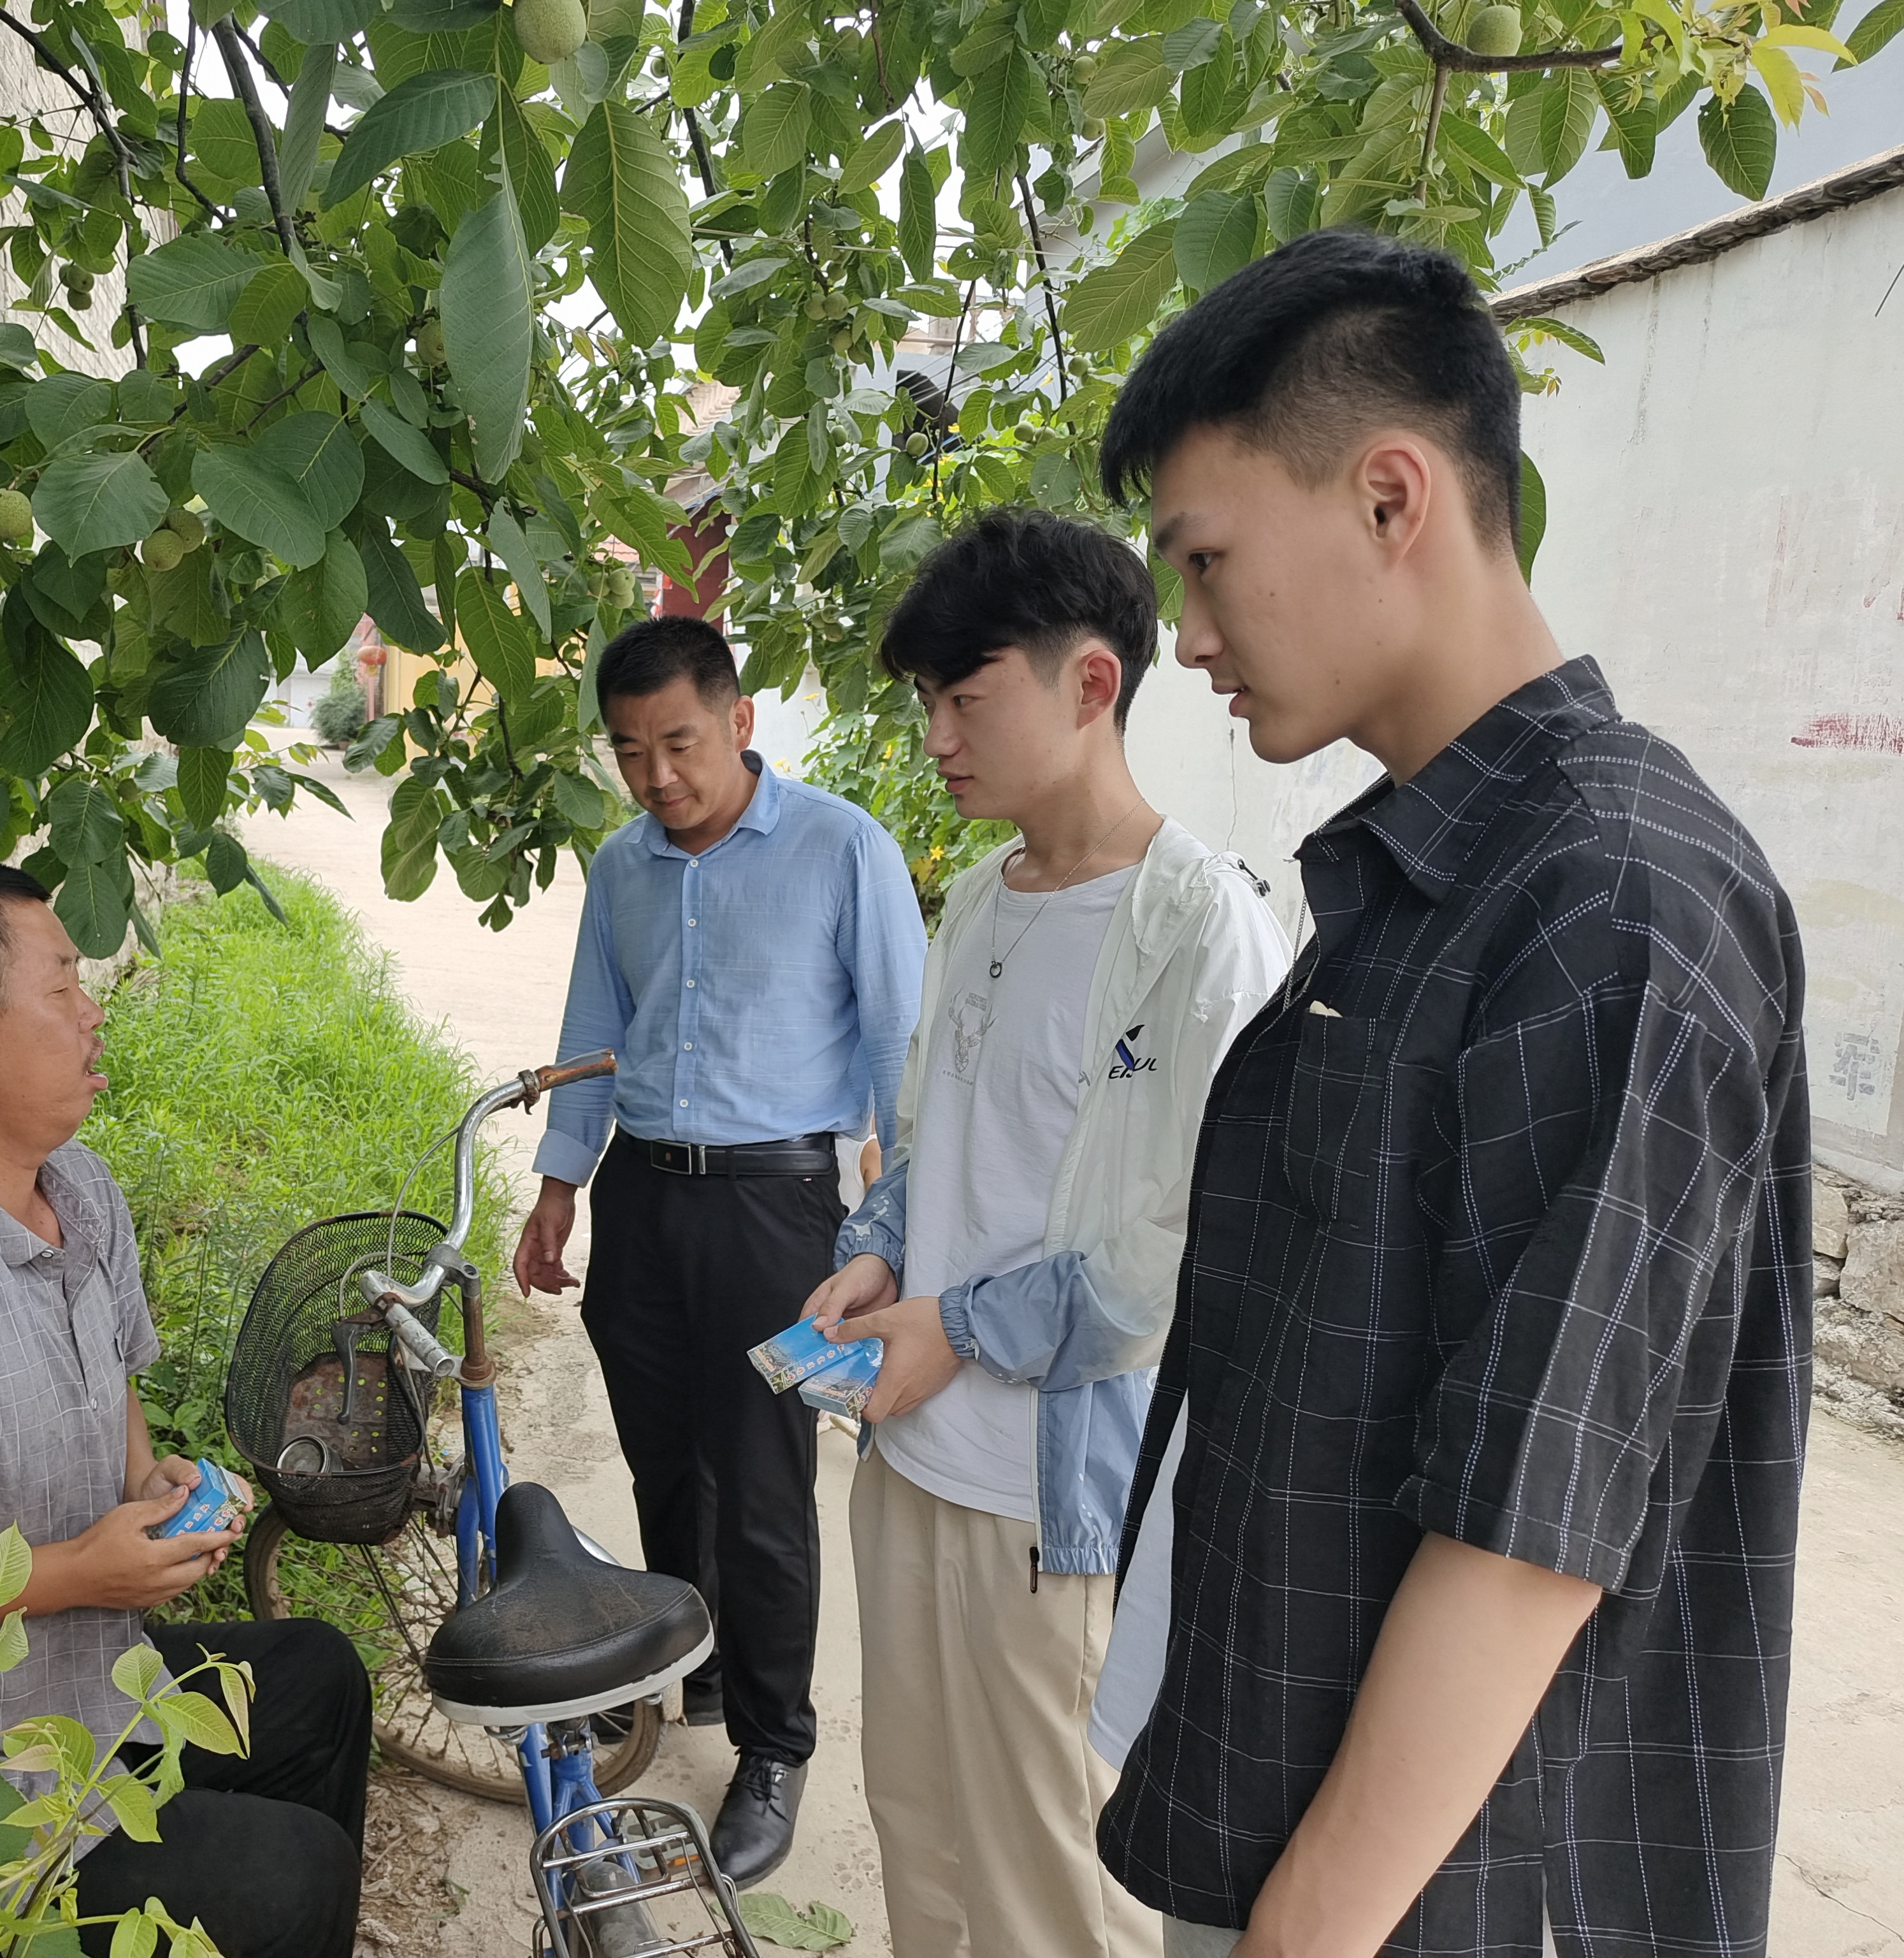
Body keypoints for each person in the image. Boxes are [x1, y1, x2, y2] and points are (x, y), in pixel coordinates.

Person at [1088, 228, 1812, 1958]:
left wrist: (1305, 1929)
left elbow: (1528, 1527)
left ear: (1389, 497)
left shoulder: (1613, 899)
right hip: (1299, 1815)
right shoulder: (1433, 875)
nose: (1191, 636)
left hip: (1440, 1896)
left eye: (1206, 561)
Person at [800, 509, 1288, 1957]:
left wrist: (956, 1326)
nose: (937, 738)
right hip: (909, 1460)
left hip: (1051, 1505)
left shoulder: (1200, 932)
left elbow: (1181, 1257)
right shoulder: (975, 898)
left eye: (965, 698)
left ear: (1090, 684)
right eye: (926, 702)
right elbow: (933, 1130)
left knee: (1051, 1889)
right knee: (921, 1838)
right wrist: (883, 1246)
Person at [0, 860, 369, 1958]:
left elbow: (113, 1380)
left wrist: (149, 1486)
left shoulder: (78, 1191)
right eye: (61, 986)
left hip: (74, 1696)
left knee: (317, 1679)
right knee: (290, 1873)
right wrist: (76, 1573)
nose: (93, 1012)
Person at [512, 614, 926, 1885]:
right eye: (629, 752)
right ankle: (688, 1669)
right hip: (644, 1197)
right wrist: (559, 1187)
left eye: (679, 744)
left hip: (775, 1211)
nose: (657, 776)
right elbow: (594, 1025)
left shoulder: (839, 848)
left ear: (739, 722)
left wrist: (902, 1220)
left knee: (758, 1491)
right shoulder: (622, 866)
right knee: (665, 1462)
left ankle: (774, 1744)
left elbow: (899, 1047)